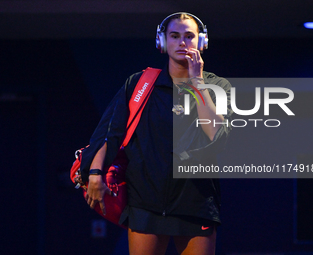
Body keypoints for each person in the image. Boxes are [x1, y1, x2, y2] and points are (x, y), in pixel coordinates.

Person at [80, 12, 232, 255]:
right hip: (145, 202)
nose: (182, 42)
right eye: (174, 35)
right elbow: (110, 131)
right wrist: (96, 173)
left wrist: (197, 83)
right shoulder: (139, 84)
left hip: (195, 201)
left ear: (201, 43)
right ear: (162, 42)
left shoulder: (218, 87)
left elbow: (216, 136)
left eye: (189, 36)